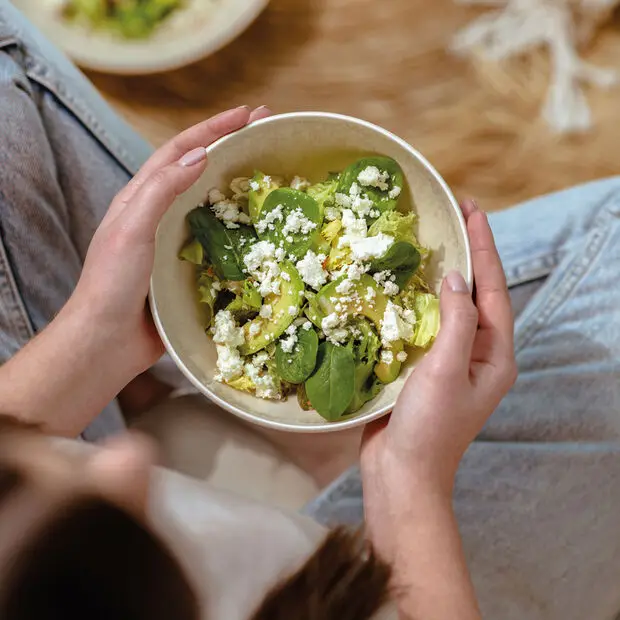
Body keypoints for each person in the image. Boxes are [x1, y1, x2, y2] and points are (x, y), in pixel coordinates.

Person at [0, 1, 619, 618]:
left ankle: (132, 385)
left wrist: (95, 337)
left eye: (16, 477)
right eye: (92, 534)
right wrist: (407, 481)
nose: (129, 460)